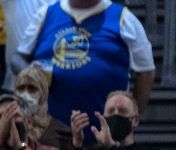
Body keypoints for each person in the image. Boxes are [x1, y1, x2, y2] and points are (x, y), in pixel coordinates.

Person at [16, 0, 154, 126]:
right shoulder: (46, 14)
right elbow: (18, 58)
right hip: (50, 135)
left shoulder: (124, 18)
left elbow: (146, 71)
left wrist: (131, 118)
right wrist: (30, 73)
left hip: (104, 135)